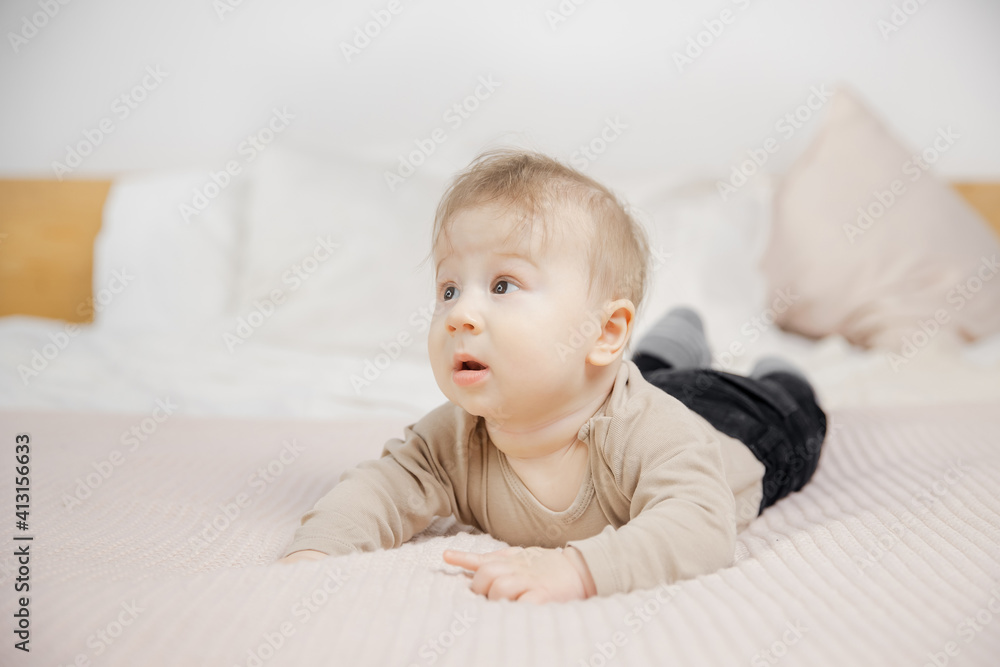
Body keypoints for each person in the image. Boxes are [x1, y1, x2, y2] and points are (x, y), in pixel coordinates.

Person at [277, 149, 826, 602]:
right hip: (615, 379)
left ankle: (779, 371)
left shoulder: (650, 432)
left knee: (793, 415)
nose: (459, 315)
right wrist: (319, 548)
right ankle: (672, 340)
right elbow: (382, 486)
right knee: (648, 374)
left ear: (605, 331)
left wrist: (578, 572)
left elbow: (701, 527)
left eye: (502, 286)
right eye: (448, 289)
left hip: (732, 424)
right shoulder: (454, 438)